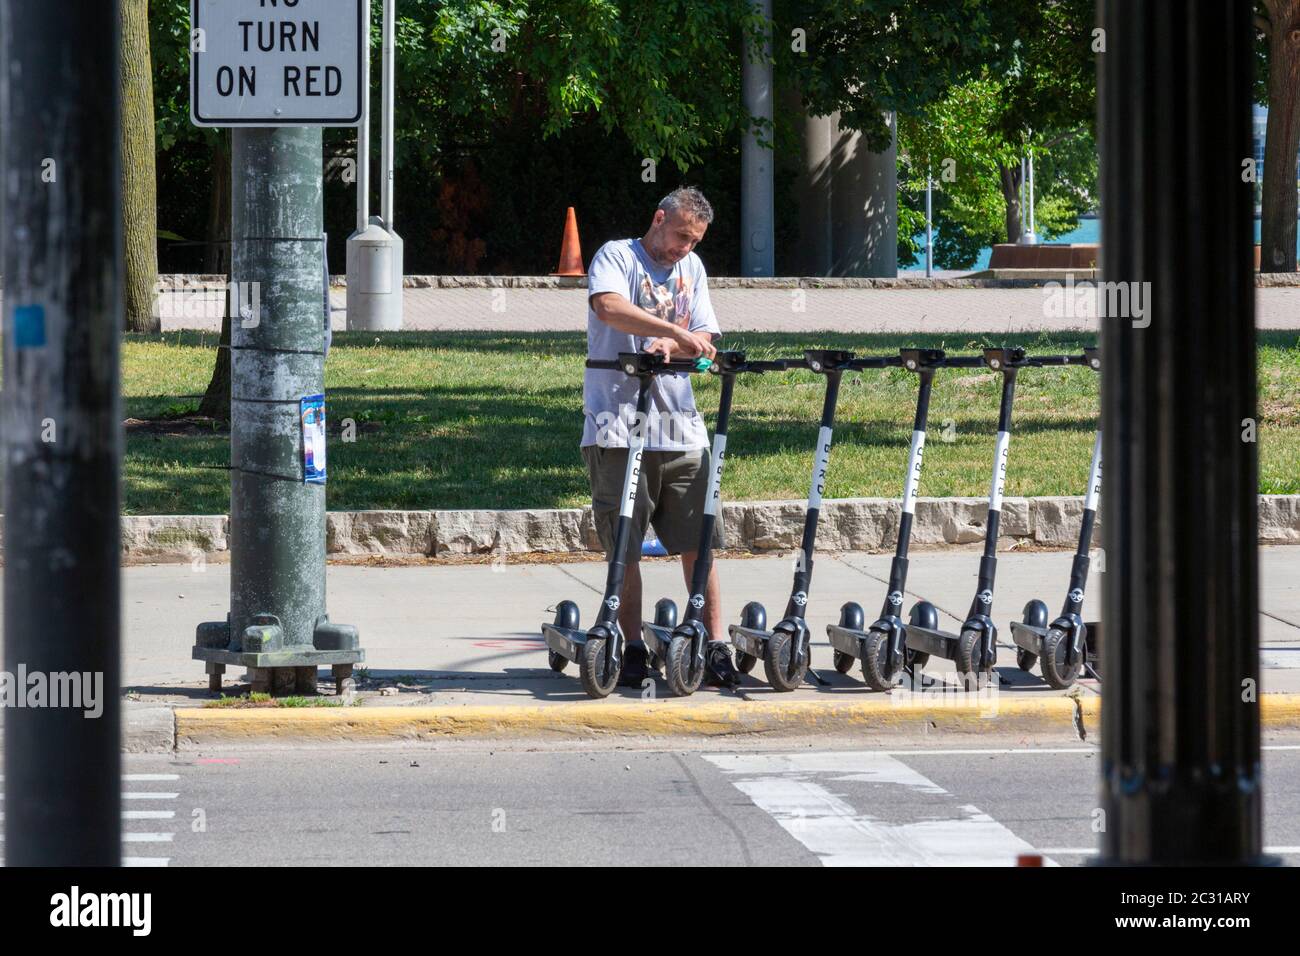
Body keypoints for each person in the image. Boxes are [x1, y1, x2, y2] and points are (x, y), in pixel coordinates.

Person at [582, 186, 740, 688]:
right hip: (617, 425)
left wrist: (675, 345)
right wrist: (669, 330)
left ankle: (713, 644)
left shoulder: (692, 271)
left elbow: (706, 338)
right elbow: (608, 306)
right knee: (624, 546)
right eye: (681, 237)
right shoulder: (618, 256)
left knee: (700, 541)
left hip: (680, 427)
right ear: (658, 219)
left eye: (694, 242)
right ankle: (629, 647)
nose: (684, 249)